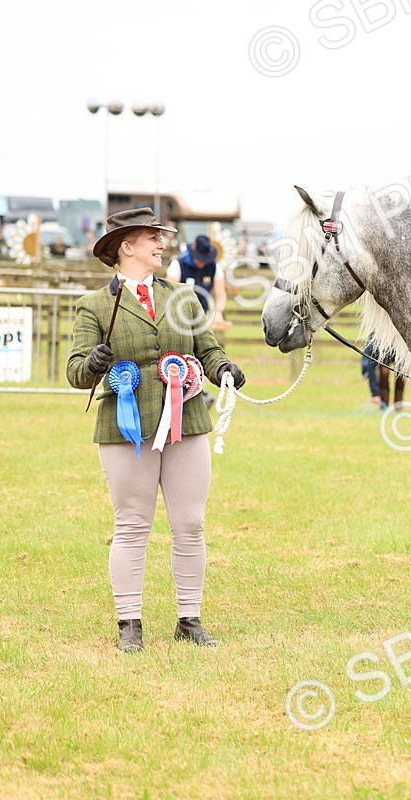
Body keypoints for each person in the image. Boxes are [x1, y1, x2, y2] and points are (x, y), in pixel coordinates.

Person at [67, 208, 247, 654]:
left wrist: (223, 366)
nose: (162, 244)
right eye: (153, 237)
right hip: (125, 428)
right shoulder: (93, 306)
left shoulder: (184, 296)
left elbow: (207, 347)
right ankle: (130, 624)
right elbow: (73, 371)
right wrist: (93, 364)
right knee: (132, 525)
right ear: (126, 246)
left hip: (187, 420)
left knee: (190, 522)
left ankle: (190, 619)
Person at [166, 234, 227, 327]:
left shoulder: (215, 267)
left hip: (203, 314)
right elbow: (169, 293)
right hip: (180, 315)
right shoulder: (177, 265)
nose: (202, 263)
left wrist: (218, 312)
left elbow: (220, 294)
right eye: (200, 259)